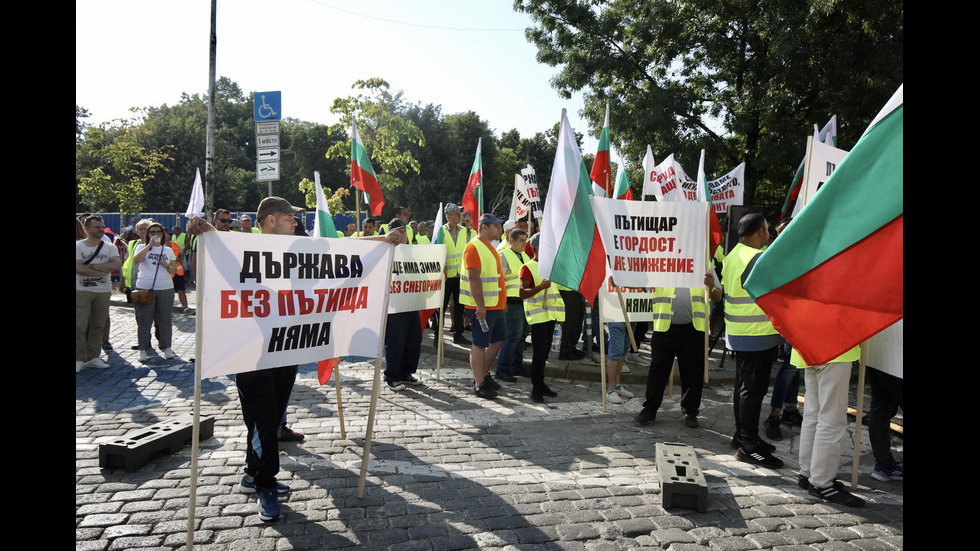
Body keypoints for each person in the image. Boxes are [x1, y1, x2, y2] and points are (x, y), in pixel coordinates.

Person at [722, 212, 784, 468]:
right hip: (757, 334)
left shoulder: (732, 256)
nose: (769, 234)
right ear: (760, 231)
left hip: (738, 333)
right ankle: (748, 445)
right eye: (768, 230)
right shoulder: (757, 258)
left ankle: (742, 436)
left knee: (742, 388)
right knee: (753, 391)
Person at [635, 276, 719, 427]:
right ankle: (650, 409)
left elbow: (718, 296)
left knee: (693, 373)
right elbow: (641, 283)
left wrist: (711, 286)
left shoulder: (703, 262)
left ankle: (691, 411)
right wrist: (620, 279)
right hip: (664, 328)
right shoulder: (662, 260)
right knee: (657, 369)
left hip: (694, 329)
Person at [792, 346, 865, 506]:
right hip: (835, 349)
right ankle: (821, 482)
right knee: (831, 420)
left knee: (813, 414)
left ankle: (808, 473)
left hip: (807, 346)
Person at [461, 213, 507, 398]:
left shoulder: (490, 247)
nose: (499, 229)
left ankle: (483, 375)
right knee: (479, 344)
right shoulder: (473, 247)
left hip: (495, 304)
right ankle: (479, 384)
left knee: (498, 339)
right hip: (481, 306)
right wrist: (480, 305)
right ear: (484, 227)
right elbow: (473, 278)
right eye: (495, 226)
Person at [519, 233, 563, 403]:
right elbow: (522, 293)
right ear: (538, 247)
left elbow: (555, 293)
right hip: (537, 318)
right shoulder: (528, 268)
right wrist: (541, 286)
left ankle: (541, 384)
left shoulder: (551, 267)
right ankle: (536, 388)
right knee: (538, 354)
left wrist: (560, 317)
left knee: (544, 354)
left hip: (550, 316)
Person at [382, 219, 424, 390]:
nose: (402, 235)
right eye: (398, 231)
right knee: (396, 340)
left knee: (414, 340)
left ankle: (406, 373)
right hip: (395, 304)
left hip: (411, 302)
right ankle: (391, 375)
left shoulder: (411, 252)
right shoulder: (385, 251)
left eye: (404, 231)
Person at [76, 215, 121, 372]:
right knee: (79, 326)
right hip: (81, 290)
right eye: (97, 227)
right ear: (87, 229)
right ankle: (79, 358)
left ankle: (93, 357)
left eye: (102, 226)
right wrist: (102, 268)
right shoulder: (78, 246)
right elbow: (78, 268)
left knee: (98, 325)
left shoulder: (109, 246)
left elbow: (116, 264)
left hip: (103, 291)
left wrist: (92, 268)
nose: (101, 229)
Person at [132, 222, 178, 363]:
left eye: (158, 232)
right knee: (144, 320)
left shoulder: (168, 250)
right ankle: (143, 349)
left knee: (164, 319)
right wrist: (149, 245)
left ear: (163, 234)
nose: (156, 234)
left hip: (165, 287)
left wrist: (167, 265)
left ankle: (166, 347)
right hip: (145, 287)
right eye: (152, 232)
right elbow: (136, 260)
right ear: (148, 234)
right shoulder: (141, 247)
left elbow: (174, 270)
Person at [495, 228, 529, 382]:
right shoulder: (503, 256)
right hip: (511, 302)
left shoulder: (525, 255)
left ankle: (516, 366)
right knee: (512, 337)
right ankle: (503, 369)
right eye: (521, 240)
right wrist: (502, 301)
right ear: (512, 240)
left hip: (524, 302)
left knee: (522, 336)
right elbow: (498, 280)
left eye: (525, 240)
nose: (524, 243)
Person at [441, 204, 474, 345]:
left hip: (460, 275)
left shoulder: (463, 231)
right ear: (448, 216)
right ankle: (438, 333)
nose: (459, 215)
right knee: (441, 306)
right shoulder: (441, 231)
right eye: (456, 213)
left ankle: (459, 335)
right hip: (446, 276)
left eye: (459, 213)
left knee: (460, 307)